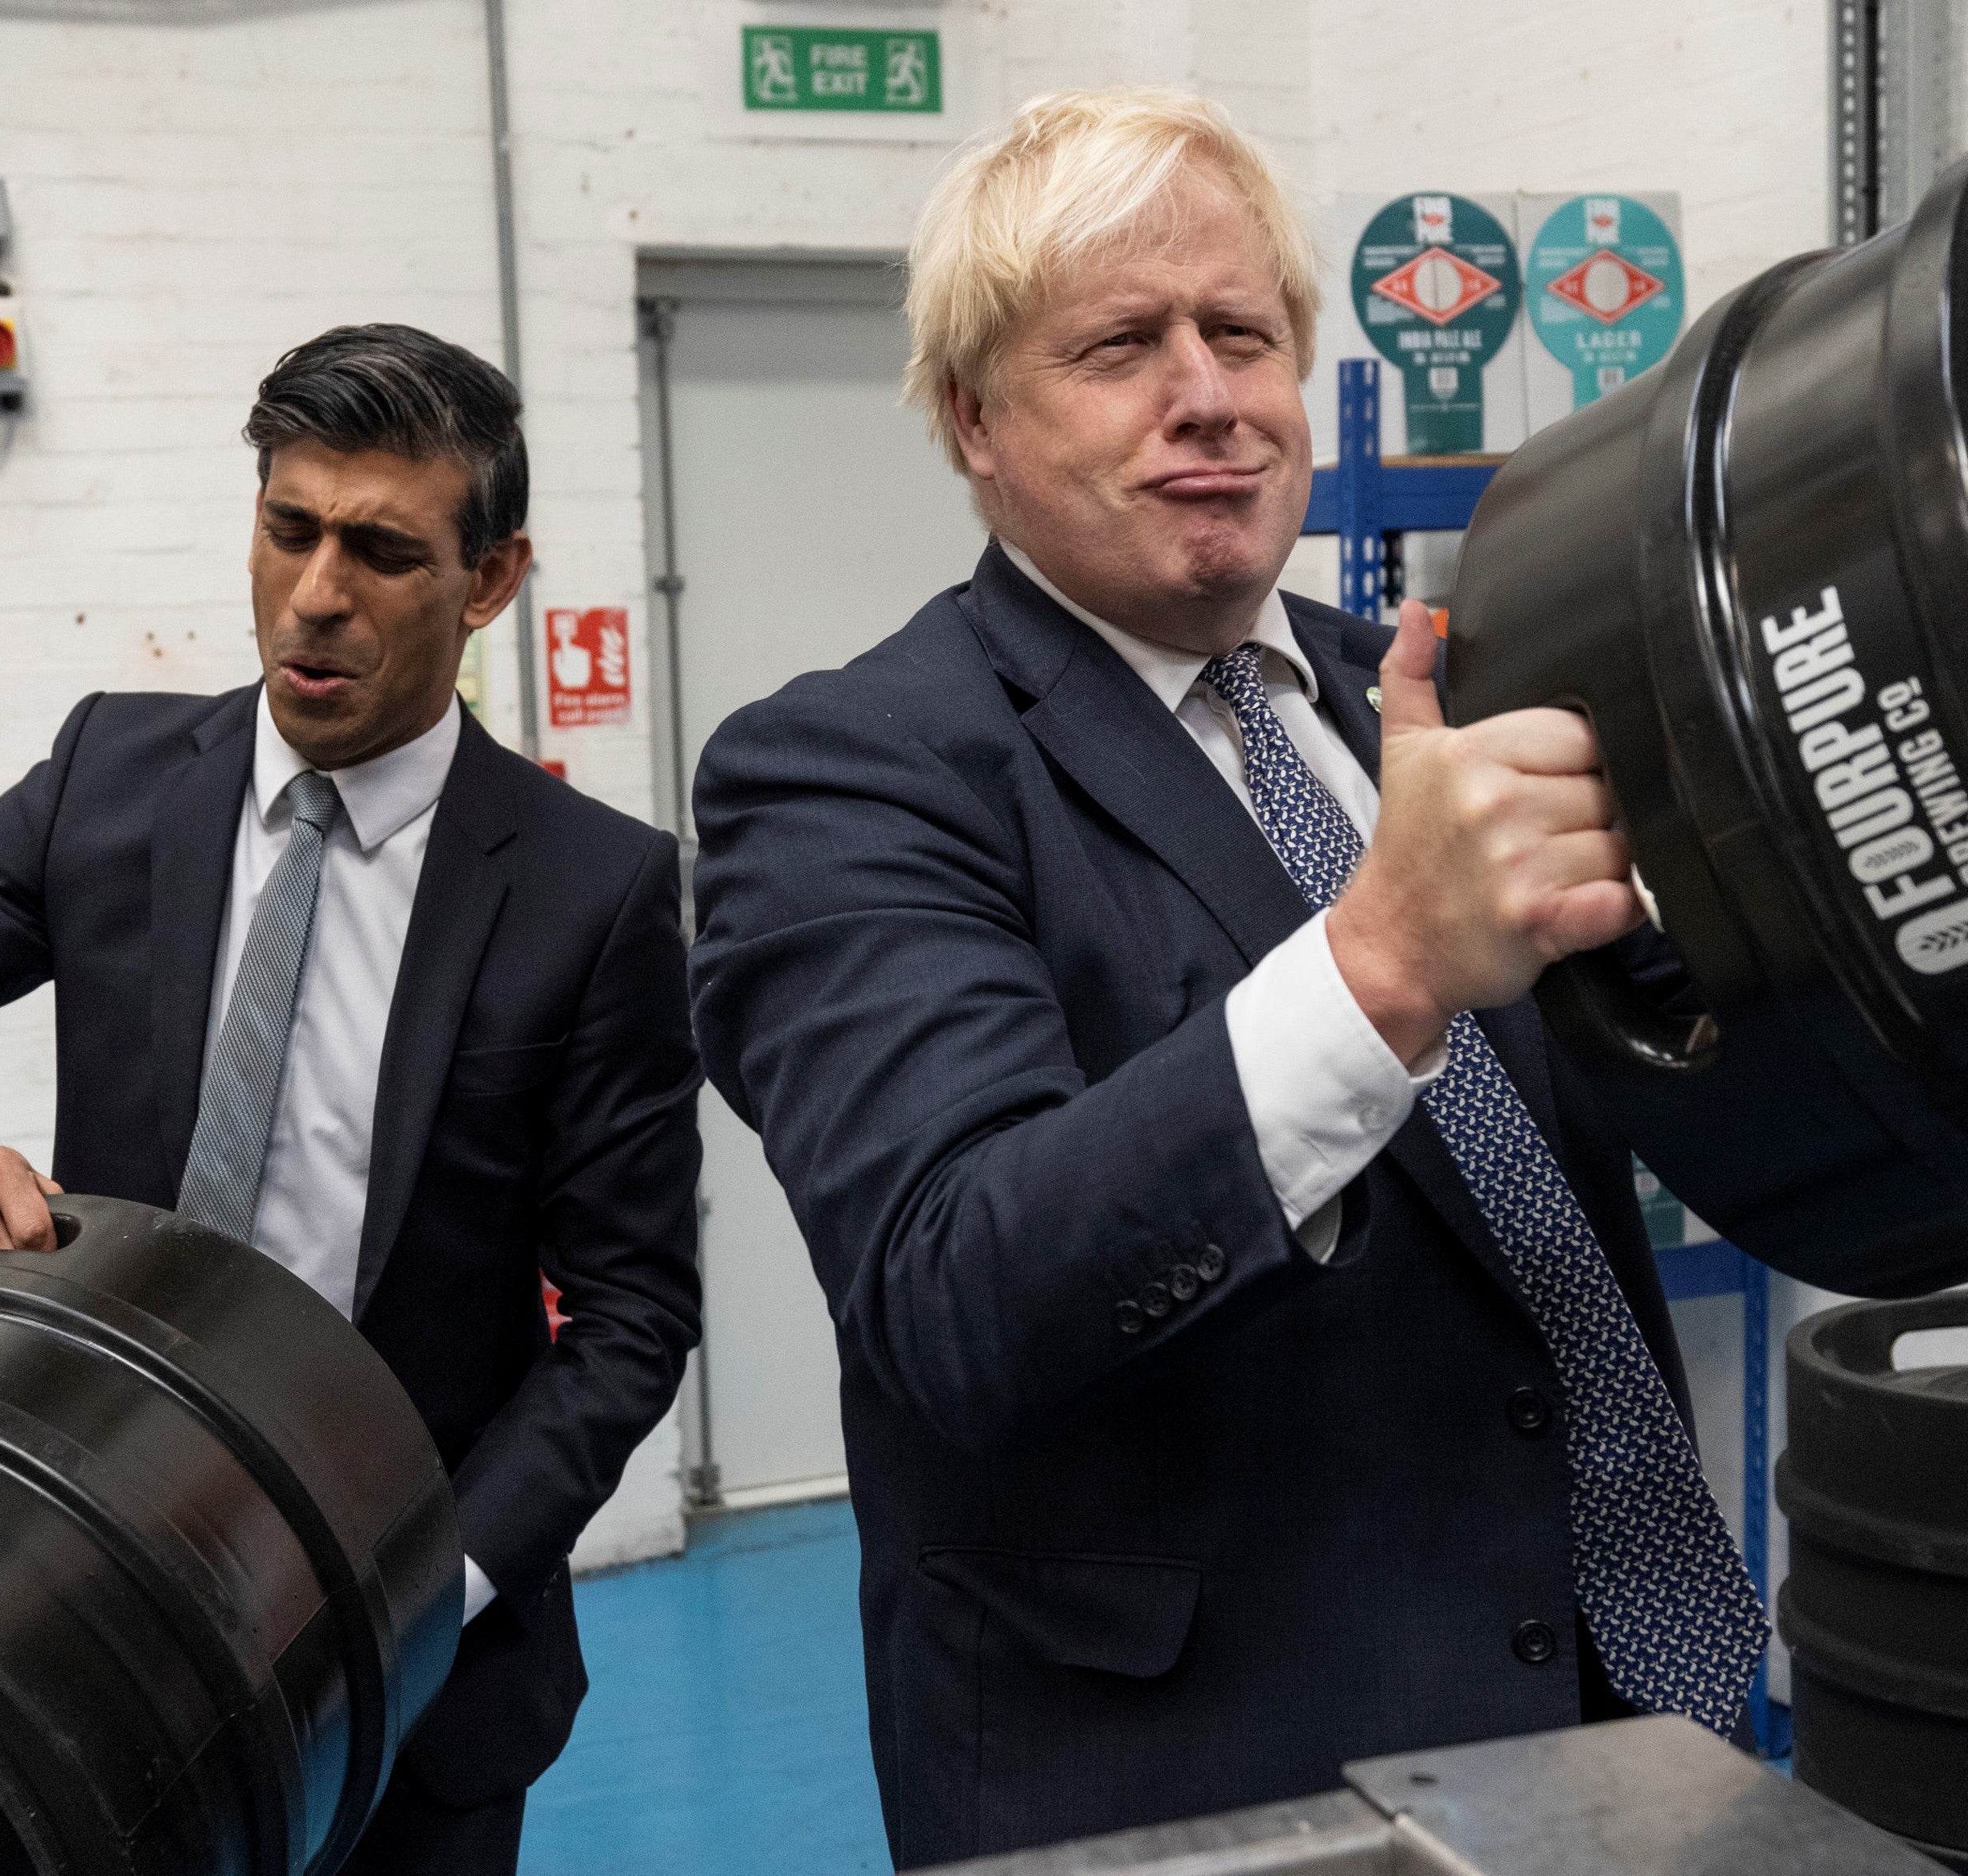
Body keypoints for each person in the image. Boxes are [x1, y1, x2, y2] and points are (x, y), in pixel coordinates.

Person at [687, 90, 1767, 1866]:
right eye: (1117, 344)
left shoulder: (1419, 700)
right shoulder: (847, 772)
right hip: (1208, 1774)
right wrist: (1378, 965)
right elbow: (957, 1289)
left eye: (1240, 333)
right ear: (970, 416)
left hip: (1610, 1704)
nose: (1204, 394)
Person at [0, 324, 703, 1875]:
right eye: (288, 527)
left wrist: (415, 1587)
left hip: (421, 1682)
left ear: (491, 579)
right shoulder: (103, 780)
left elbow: (632, 1319)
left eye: (381, 549)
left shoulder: (593, 889)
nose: (317, 593)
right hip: (68, 1622)